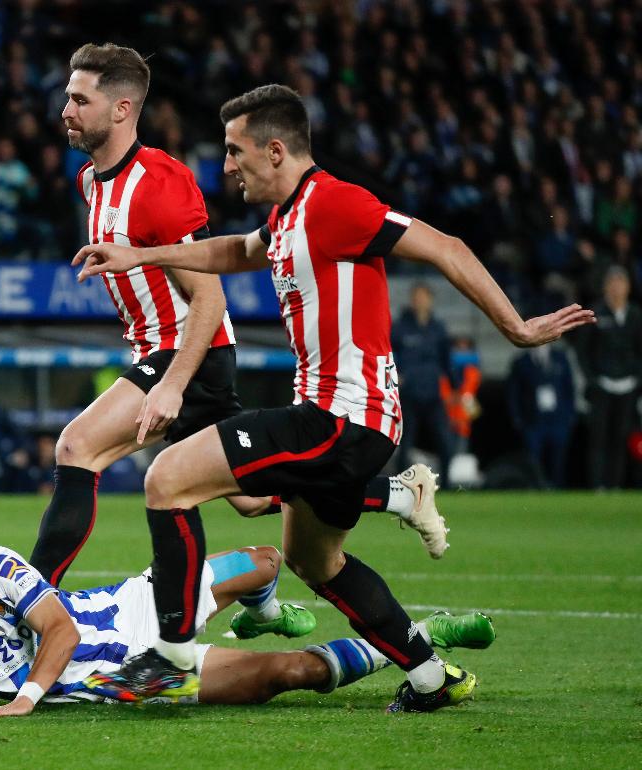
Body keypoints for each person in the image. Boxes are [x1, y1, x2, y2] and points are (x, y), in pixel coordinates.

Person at [72, 84, 593, 711]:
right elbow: (235, 250)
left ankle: (172, 658)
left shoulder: (334, 203)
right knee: (314, 561)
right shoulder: (285, 217)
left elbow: (445, 247)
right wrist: (141, 254)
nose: (227, 165)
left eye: (235, 152)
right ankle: (431, 677)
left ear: (274, 151)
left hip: (339, 416)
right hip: (343, 423)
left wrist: (517, 328)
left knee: (167, 478)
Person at [31, 45, 446, 597]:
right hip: (160, 353)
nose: (66, 110)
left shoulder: (160, 182)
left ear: (122, 109)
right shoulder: (91, 181)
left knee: (77, 447)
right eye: (68, 98)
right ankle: (392, 498)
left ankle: (30, 605)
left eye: (80, 100)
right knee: (252, 498)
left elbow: (209, 299)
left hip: (187, 352)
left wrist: (173, 383)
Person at [0, 526, 495, 719]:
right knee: (289, 674)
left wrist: (27, 698)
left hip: (133, 608)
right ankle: (424, 637)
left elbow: (61, 630)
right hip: (137, 677)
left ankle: (265, 612)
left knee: (266, 560)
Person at [576, 266, 641, 490]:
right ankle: (597, 486)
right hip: (602, 385)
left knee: (621, 437)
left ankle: (615, 485)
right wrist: (592, 379)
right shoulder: (595, 313)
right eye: (612, 283)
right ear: (605, 287)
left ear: (628, 287)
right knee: (598, 438)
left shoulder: (635, 315)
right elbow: (583, 351)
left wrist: (637, 378)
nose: (616, 288)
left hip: (628, 385)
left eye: (621, 283)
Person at [392, 283, 454, 474]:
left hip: (433, 394)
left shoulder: (438, 328)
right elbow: (388, 354)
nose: (419, 300)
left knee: (445, 442)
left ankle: (447, 484)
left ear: (430, 300)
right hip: (409, 394)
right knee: (405, 443)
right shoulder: (400, 327)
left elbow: (446, 360)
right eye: (416, 297)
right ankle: (400, 482)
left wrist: (455, 388)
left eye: (423, 296)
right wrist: (394, 377)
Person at [506, 344, 577, 488]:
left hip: (557, 419)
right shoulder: (521, 361)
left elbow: (569, 388)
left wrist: (569, 414)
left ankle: (557, 487)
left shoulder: (560, 357)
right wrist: (517, 417)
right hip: (533, 419)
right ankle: (536, 487)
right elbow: (514, 392)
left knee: (557, 458)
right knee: (533, 459)